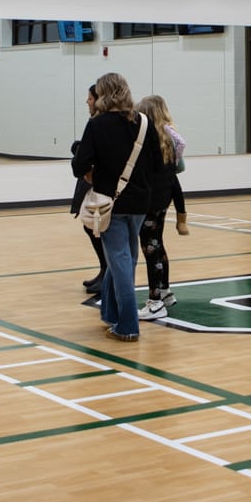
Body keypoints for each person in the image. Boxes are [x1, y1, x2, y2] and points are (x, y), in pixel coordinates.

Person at [71, 72, 164, 343]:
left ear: (103, 94)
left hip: (109, 202)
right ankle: (110, 313)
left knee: (121, 262)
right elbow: (157, 163)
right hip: (140, 203)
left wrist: (94, 175)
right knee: (124, 258)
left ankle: (128, 325)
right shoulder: (144, 122)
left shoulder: (97, 125)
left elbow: (79, 165)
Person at [135, 95, 191, 320]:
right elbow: (175, 180)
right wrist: (180, 212)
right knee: (158, 245)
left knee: (150, 250)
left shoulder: (149, 145)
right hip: (163, 201)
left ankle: (155, 301)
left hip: (149, 203)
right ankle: (165, 291)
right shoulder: (169, 142)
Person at [70, 85, 108, 299]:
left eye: (90, 98)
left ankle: (107, 272)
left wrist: (80, 151)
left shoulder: (99, 124)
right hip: (92, 183)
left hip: (101, 185)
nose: (87, 102)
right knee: (90, 226)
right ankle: (104, 269)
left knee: (97, 227)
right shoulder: (97, 122)